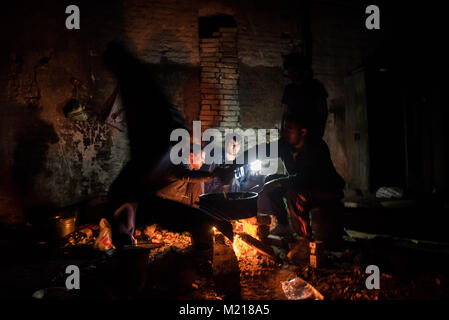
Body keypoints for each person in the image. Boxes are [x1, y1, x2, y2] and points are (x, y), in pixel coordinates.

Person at [255, 112, 345, 250]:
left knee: (292, 193)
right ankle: (283, 225)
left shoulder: (316, 147)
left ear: (302, 132)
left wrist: (277, 183)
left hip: (325, 189)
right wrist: (233, 164)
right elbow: (260, 150)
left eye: (289, 130)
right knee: (270, 179)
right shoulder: (285, 145)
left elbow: (306, 177)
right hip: (302, 185)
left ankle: (304, 239)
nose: (284, 133)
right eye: (283, 129)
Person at [281, 52, 328, 138]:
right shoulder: (289, 89)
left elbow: (322, 113)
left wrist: (317, 135)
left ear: (301, 69)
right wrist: (283, 133)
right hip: (293, 135)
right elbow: (285, 113)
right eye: (289, 72)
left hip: (310, 134)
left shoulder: (316, 87)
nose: (291, 74)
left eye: (293, 71)